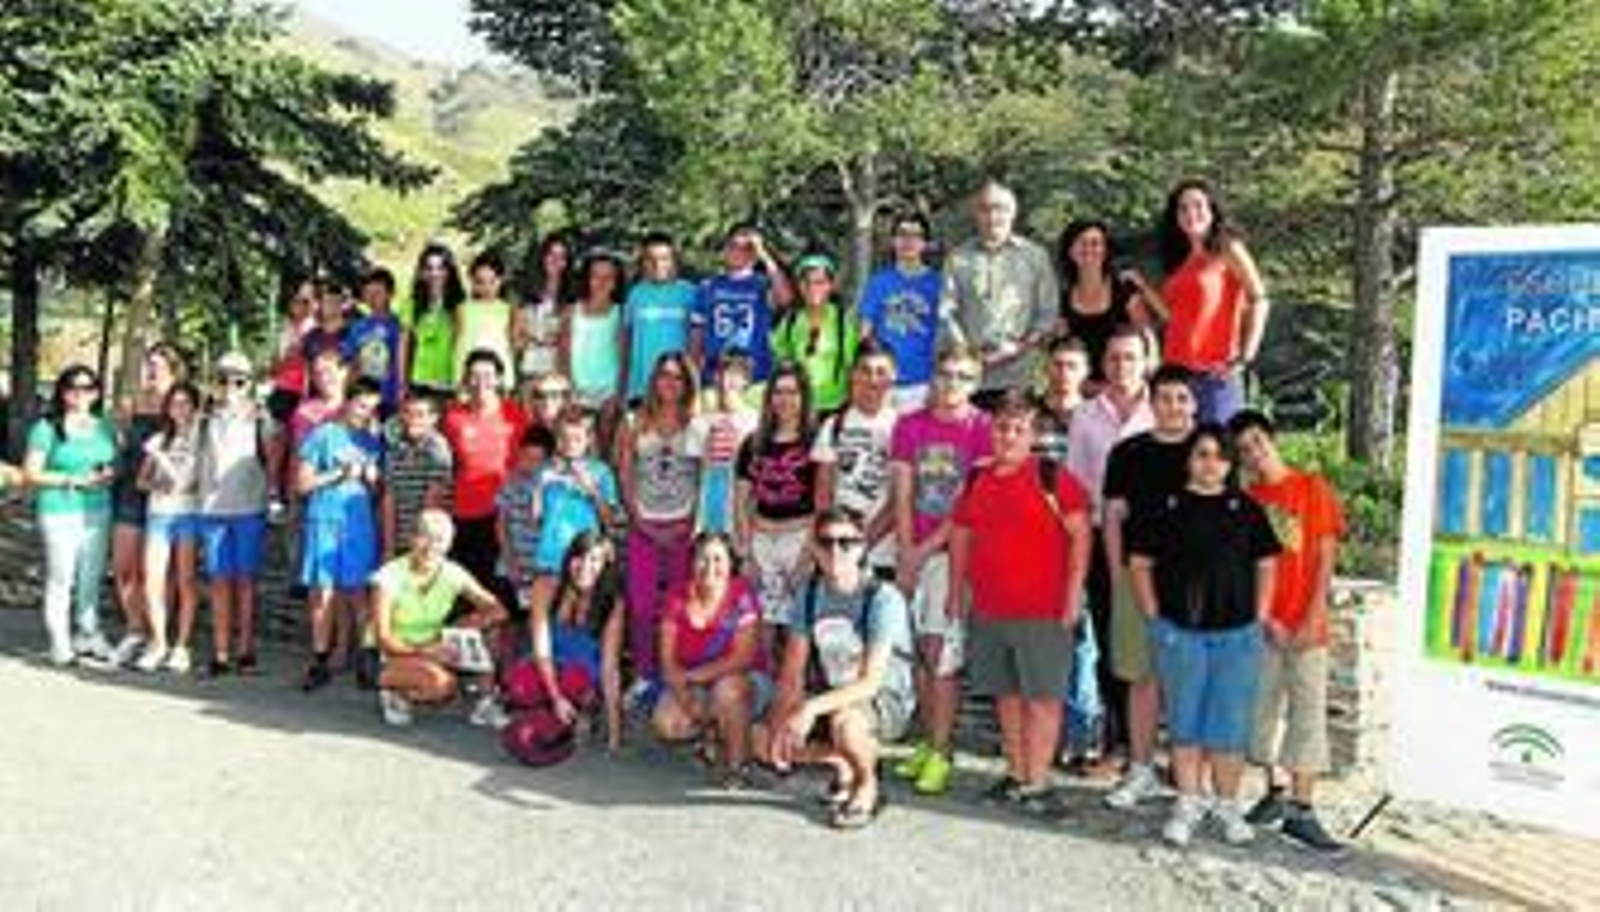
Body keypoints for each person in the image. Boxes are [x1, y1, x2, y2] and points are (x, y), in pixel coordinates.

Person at [1127, 424, 1281, 847]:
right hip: (1182, 635)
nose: (1210, 463)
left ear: (1230, 464)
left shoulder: (1246, 509)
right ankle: (1188, 802)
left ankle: (1228, 805)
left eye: (1218, 456)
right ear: (1189, 460)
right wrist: (1156, 618)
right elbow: (1140, 563)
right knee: (1186, 723)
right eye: (1201, 454)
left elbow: (1267, 564)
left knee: (1228, 727)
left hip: (1236, 637)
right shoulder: (1166, 507)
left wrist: (1259, 617)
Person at [950, 391, 1091, 812]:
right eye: (1001, 428)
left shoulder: (1053, 478)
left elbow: (1081, 537)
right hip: (991, 610)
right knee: (1006, 696)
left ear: (1032, 435)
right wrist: (956, 591)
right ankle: (1016, 774)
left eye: (1018, 429)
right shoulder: (977, 478)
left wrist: (1072, 597)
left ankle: (1040, 782)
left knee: (1043, 697)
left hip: (1043, 611)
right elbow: (961, 534)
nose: (1008, 436)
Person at [1231, 409, 1347, 853]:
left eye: (1258, 441)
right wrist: (1267, 619)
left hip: (1308, 625)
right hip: (1266, 626)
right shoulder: (1247, 501)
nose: (1254, 454)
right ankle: (1274, 791)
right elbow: (1245, 569)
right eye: (1243, 450)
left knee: (1307, 713)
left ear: (1272, 439)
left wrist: (1314, 613)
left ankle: (1302, 809)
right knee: (1260, 714)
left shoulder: (1311, 489)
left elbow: (1324, 555)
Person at [768, 508, 916, 829]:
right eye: (826, 542)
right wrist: (783, 721)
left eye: (846, 542)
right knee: (762, 738)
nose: (836, 551)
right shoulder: (808, 595)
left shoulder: (882, 598)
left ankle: (868, 787)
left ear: (862, 547)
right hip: (831, 693)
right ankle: (843, 761)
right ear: (815, 548)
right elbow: (793, 670)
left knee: (845, 723)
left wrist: (808, 709)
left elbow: (870, 682)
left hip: (882, 699)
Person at [888, 345, 992, 795]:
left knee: (940, 654)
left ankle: (944, 749)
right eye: (946, 374)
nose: (953, 385)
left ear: (975, 383)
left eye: (963, 377)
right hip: (913, 548)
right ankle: (929, 742)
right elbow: (903, 491)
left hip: (955, 554)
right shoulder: (910, 425)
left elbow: (971, 502)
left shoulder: (982, 429)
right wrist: (908, 551)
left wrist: (927, 549)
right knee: (918, 655)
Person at [1102, 364, 1199, 810]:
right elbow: (1114, 517)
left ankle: (1189, 779)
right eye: (1165, 398)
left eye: (1182, 398)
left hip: (1194, 584)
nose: (1174, 407)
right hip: (1135, 577)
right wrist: (1117, 572)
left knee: (1187, 682)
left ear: (1193, 403)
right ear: (1152, 402)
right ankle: (1140, 768)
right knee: (1141, 678)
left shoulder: (1211, 451)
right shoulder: (1128, 452)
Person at [1064, 326, 1154, 775]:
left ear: (1146, 362)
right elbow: (1077, 484)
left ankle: (1165, 749)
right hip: (1104, 540)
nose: (1122, 367)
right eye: (1115, 358)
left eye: (1131, 358)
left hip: (1158, 544)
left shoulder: (1166, 409)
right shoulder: (1085, 415)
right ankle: (1119, 744)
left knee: (1161, 645)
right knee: (1113, 643)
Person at [1127, 179, 1269, 424]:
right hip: (1175, 376)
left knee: (1217, 454)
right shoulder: (1180, 264)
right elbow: (1171, 318)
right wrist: (1143, 287)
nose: (1191, 213)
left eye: (1199, 205)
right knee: (1179, 457)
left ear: (1212, 211)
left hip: (1215, 376)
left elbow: (1259, 298)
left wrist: (1245, 357)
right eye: (1183, 208)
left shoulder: (1227, 248)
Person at [373, 509, 511, 728]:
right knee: (442, 687)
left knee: (493, 628)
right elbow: (384, 639)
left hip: (434, 645)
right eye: (424, 536)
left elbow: (498, 610)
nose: (430, 546)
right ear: (412, 539)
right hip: (393, 652)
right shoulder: (388, 575)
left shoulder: (452, 571)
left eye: (439, 540)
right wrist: (425, 650)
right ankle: (396, 693)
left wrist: (464, 625)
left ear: (448, 545)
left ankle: (484, 702)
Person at [652, 533, 770, 786]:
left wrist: (692, 677)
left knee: (727, 689)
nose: (710, 567)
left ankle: (738, 765)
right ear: (692, 562)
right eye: (703, 559)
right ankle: (715, 733)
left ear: (730, 565)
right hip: (693, 685)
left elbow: (742, 658)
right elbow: (667, 660)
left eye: (718, 559)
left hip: (744, 683)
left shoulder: (742, 595)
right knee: (668, 723)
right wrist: (685, 699)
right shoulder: (677, 595)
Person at [24, 365, 118, 666]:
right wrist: (72, 481)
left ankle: (88, 633)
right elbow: (31, 473)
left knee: (91, 576)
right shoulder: (47, 427)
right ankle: (60, 640)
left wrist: (107, 475)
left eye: (88, 387)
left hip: (97, 511)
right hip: (59, 510)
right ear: (63, 392)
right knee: (62, 576)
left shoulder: (104, 425)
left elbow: (112, 465)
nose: (81, 394)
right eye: (74, 388)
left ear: (97, 392)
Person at [297, 377, 386, 692]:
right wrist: (338, 473)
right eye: (361, 405)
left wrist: (373, 481)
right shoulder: (323, 434)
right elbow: (302, 484)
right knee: (323, 593)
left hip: (358, 525)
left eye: (372, 409)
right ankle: (319, 659)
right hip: (324, 520)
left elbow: (377, 494)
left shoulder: (373, 443)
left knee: (359, 593)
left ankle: (365, 660)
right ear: (348, 401)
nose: (365, 414)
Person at [938, 181, 1059, 410]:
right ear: (976, 214)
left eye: (1000, 208)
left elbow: (1047, 314)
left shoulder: (1035, 257)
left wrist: (1018, 348)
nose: (992, 215)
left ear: (1013, 213)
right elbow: (947, 312)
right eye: (985, 208)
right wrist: (969, 355)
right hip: (970, 379)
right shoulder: (957, 258)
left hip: (1021, 377)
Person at [615, 353, 699, 682]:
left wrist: (690, 522)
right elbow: (625, 473)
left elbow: (703, 475)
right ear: (654, 380)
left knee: (679, 606)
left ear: (688, 383)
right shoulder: (634, 420)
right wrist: (640, 521)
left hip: (683, 525)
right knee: (642, 604)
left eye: (678, 377)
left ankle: (675, 672)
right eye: (664, 375)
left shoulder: (695, 421)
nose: (670, 383)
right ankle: (645, 674)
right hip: (644, 524)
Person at [109, 342, 186, 666]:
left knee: (156, 573)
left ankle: (158, 635)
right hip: (130, 490)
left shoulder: (180, 402)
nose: (152, 370)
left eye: (159, 364)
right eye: (149, 363)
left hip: (164, 496)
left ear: (172, 368)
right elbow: (122, 444)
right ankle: (135, 629)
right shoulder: (132, 402)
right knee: (124, 568)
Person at [196, 352, 272, 677]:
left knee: (246, 581)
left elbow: (275, 458)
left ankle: (245, 650)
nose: (231, 387)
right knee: (218, 581)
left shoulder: (261, 420)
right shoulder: (203, 419)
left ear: (249, 384)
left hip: (248, 507)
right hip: (212, 509)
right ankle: (221, 650)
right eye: (224, 379)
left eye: (239, 380)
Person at [520, 531, 627, 751]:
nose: (585, 565)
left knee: (574, 685)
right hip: (550, 665)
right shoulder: (545, 585)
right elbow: (542, 650)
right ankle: (548, 708)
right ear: (569, 558)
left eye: (595, 559)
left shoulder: (612, 601)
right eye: (580, 556)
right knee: (521, 684)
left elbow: (609, 668)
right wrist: (556, 696)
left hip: (584, 674)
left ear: (604, 565)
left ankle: (586, 710)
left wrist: (615, 735)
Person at [734, 363, 817, 641]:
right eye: (778, 392)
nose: (785, 400)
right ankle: (764, 683)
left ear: (804, 397)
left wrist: (808, 555)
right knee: (761, 627)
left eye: (793, 392)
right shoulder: (753, 443)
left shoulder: (815, 442)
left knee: (800, 627)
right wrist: (746, 553)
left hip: (799, 538)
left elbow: (824, 502)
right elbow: (740, 500)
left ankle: (794, 683)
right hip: (761, 541)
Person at [526, 406, 621, 628]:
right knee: (550, 621)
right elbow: (536, 519)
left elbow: (610, 521)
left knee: (582, 620)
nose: (570, 444)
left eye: (577, 438)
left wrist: (591, 490)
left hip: (585, 560)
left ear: (588, 440)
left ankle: (581, 661)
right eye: (564, 438)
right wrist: (539, 489)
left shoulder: (601, 472)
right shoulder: (544, 471)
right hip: (551, 558)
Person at [441, 350, 528, 591]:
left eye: (488, 376)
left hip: (502, 514)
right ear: (466, 380)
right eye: (474, 376)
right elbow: (445, 464)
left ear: (500, 379)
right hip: (462, 512)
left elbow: (527, 463)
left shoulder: (516, 416)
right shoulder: (452, 418)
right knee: (467, 587)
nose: (481, 383)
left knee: (499, 586)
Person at [811, 343, 899, 577]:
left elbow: (899, 499)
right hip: (836, 551)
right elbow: (822, 495)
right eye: (865, 370)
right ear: (853, 374)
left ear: (893, 377)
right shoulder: (833, 425)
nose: (873, 379)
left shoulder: (902, 427)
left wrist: (860, 544)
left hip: (884, 553)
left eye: (881, 372)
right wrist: (835, 542)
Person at [133, 382, 204, 673]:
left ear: (195, 406)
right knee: (153, 581)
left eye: (186, 402)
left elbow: (206, 480)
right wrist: (157, 483)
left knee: (186, 580)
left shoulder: (203, 440)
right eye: (174, 403)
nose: (180, 409)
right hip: (159, 515)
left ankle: (182, 646)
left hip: (188, 516)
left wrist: (193, 486)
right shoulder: (159, 439)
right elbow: (141, 481)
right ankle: (158, 643)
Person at [859, 211, 941, 413]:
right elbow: (865, 333)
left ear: (925, 243)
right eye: (902, 234)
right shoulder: (878, 282)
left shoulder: (938, 283)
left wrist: (938, 381)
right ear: (893, 241)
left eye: (916, 235)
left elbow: (944, 334)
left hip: (922, 382)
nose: (908, 241)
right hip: (882, 381)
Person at [689, 224, 794, 384]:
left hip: (756, 376)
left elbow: (786, 299)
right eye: (733, 246)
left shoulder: (763, 285)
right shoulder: (707, 287)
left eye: (747, 247)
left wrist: (764, 255)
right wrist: (693, 376)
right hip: (715, 376)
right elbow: (696, 337)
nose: (738, 252)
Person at [1056, 220, 1151, 392]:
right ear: (1070, 251)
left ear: (1106, 250)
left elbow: (1148, 339)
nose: (1089, 249)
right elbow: (1060, 350)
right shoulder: (1062, 301)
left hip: (1127, 389)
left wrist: (1140, 380)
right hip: (1082, 392)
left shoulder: (1124, 290)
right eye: (1082, 243)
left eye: (1096, 243)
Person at [771, 254, 859, 414]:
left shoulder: (842, 320)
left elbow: (852, 367)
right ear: (799, 286)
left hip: (834, 406)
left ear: (830, 286)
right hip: (798, 406)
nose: (813, 288)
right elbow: (780, 359)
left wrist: (851, 407)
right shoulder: (791, 319)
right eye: (806, 282)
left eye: (820, 282)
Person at [686, 349, 758, 536]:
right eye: (721, 372)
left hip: (742, 512)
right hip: (707, 512)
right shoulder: (699, 423)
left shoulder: (757, 422)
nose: (726, 379)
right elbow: (691, 476)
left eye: (734, 373)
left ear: (746, 380)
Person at [622, 233, 697, 405]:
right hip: (641, 388)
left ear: (674, 260)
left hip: (678, 388)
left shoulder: (690, 293)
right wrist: (623, 388)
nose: (658, 265)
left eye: (664, 258)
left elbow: (697, 344)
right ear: (642, 263)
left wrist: (694, 385)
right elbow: (626, 344)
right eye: (650, 259)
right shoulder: (635, 294)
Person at [560, 249, 627, 439]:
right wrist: (569, 392)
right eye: (596, 276)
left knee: (606, 443)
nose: (602, 282)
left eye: (608, 277)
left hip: (608, 391)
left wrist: (617, 395)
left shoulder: (620, 313)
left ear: (616, 281)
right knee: (581, 444)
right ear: (587, 279)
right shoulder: (572, 312)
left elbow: (624, 358)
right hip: (578, 391)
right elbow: (563, 354)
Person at [381, 392, 453, 560]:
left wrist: (420, 544)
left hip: (428, 541)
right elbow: (389, 498)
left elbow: (433, 498)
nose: (413, 419)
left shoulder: (437, 448)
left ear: (433, 418)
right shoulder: (395, 448)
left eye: (420, 415)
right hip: (400, 539)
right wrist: (388, 546)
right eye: (408, 413)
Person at [266, 279, 317, 516]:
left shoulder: (316, 329)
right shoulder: (284, 329)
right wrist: (290, 353)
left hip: (308, 393)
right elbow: (272, 367)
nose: (304, 306)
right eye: (299, 301)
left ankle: (294, 493)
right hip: (285, 390)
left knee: (301, 445)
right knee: (278, 440)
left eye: (309, 301)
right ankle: (273, 490)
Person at [496, 424, 556, 609]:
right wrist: (509, 558)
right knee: (508, 615)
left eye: (538, 459)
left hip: (542, 568)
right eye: (526, 457)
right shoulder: (510, 482)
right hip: (512, 565)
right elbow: (501, 523)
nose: (531, 464)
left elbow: (543, 521)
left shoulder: (554, 486)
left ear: (549, 461)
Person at [402, 242, 466, 395]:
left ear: (450, 271)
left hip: (450, 381)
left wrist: (463, 383)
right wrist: (402, 382)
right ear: (421, 272)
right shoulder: (411, 304)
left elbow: (463, 344)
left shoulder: (460, 305)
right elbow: (403, 347)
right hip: (419, 380)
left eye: (440, 268)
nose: (434, 274)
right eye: (429, 268)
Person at [514, 232, 570, 391]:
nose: (555, 261)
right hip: (530, 371)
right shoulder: (525, 294)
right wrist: (534, 340)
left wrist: (558, 340)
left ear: (567, 262)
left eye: (562, 256)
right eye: (551, 254)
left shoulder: (573, 296)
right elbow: (516, 339)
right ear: (542, 258)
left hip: (561, 373)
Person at [350, 267, 407, 419]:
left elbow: (404, 363)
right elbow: (353, 362)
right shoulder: (357, 326)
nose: (372, 298)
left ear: (390, 294)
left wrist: (402, 395)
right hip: (363, 398)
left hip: (390, 398)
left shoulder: (399, 325)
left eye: (378, 293)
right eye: (368, 293)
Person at [455, 249, 518, 386]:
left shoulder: (508, 309)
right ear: (472, 281)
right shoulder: (463, 308)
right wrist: (459, 378)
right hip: (470, 376)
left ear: (501, 280)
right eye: (480, 282)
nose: (486, 287)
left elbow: (511, 346)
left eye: (492, 281)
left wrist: (508, 378)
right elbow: (459, 345)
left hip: (500, 377)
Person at [1034, 335, 1090, 463]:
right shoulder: (1028, 413)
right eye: (1058, 365)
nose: (1064, 372)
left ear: (1085, 371)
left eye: (1072, 366)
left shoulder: (1097, 416)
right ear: (1046, 368)